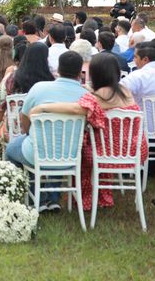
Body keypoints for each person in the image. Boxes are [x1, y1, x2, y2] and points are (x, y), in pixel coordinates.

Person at [29, 53, 146, 211]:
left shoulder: (95, 99)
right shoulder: (124, 91)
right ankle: (104, 197)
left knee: (80, 150)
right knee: (95, 144)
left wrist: (43, 107)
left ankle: (86, 200)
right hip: (134, 152)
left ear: (95, 74)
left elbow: (76, 108)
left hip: (106, 154)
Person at [5, 51, 88, 212]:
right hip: (71, 156)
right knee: (58, 144)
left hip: (36, 154)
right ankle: (52, 198)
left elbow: (25, 117)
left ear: (58, 69)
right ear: (80, 73)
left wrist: (29, 133)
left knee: (11, 150)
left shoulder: (39, 88)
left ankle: (33, 195)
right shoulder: (86, 96)